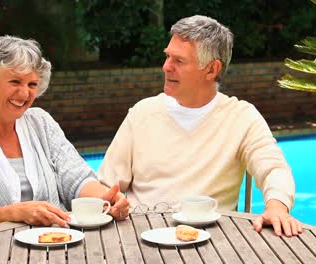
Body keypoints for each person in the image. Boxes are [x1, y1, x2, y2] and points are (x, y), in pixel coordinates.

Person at [98, 15, 302, 237]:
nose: (166, 67)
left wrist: (277, 206)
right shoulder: (142, 113)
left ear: (211, 70)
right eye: (167, 57)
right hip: (141, 239)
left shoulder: (241, 117)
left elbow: (274, 169)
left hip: (213, 243)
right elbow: (105, 185)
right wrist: (109, 200)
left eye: (179, 60)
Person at [0, 35, 129, 245]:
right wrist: (14, 212)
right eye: (15, 81)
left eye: (32, 84)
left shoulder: (41, 122)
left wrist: (105, 199)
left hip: (53, 247)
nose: (25, 93)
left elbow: (76, 178)